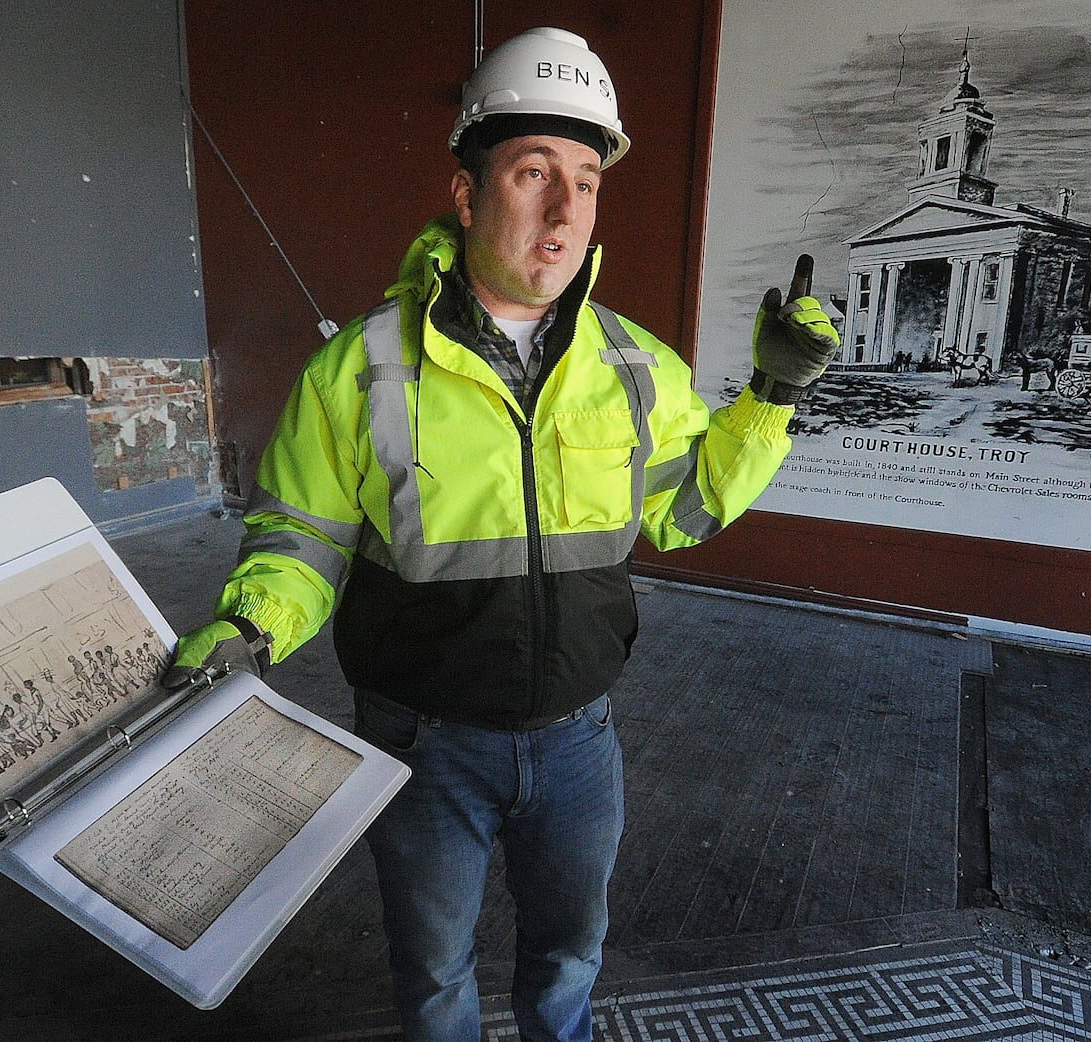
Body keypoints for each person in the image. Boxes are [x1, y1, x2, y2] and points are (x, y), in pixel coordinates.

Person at [165, 26, 839, 1042]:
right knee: (433, 969)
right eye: (533, 172)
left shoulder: (636, 368)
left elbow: (686, 507)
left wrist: (774, 395)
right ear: (467, 194)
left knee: (569, 954)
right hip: (421, 745)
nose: (566, 209)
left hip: (580, 742)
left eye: (586, 179)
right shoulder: (359, 371)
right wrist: (249, 627)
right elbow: (300, 540)